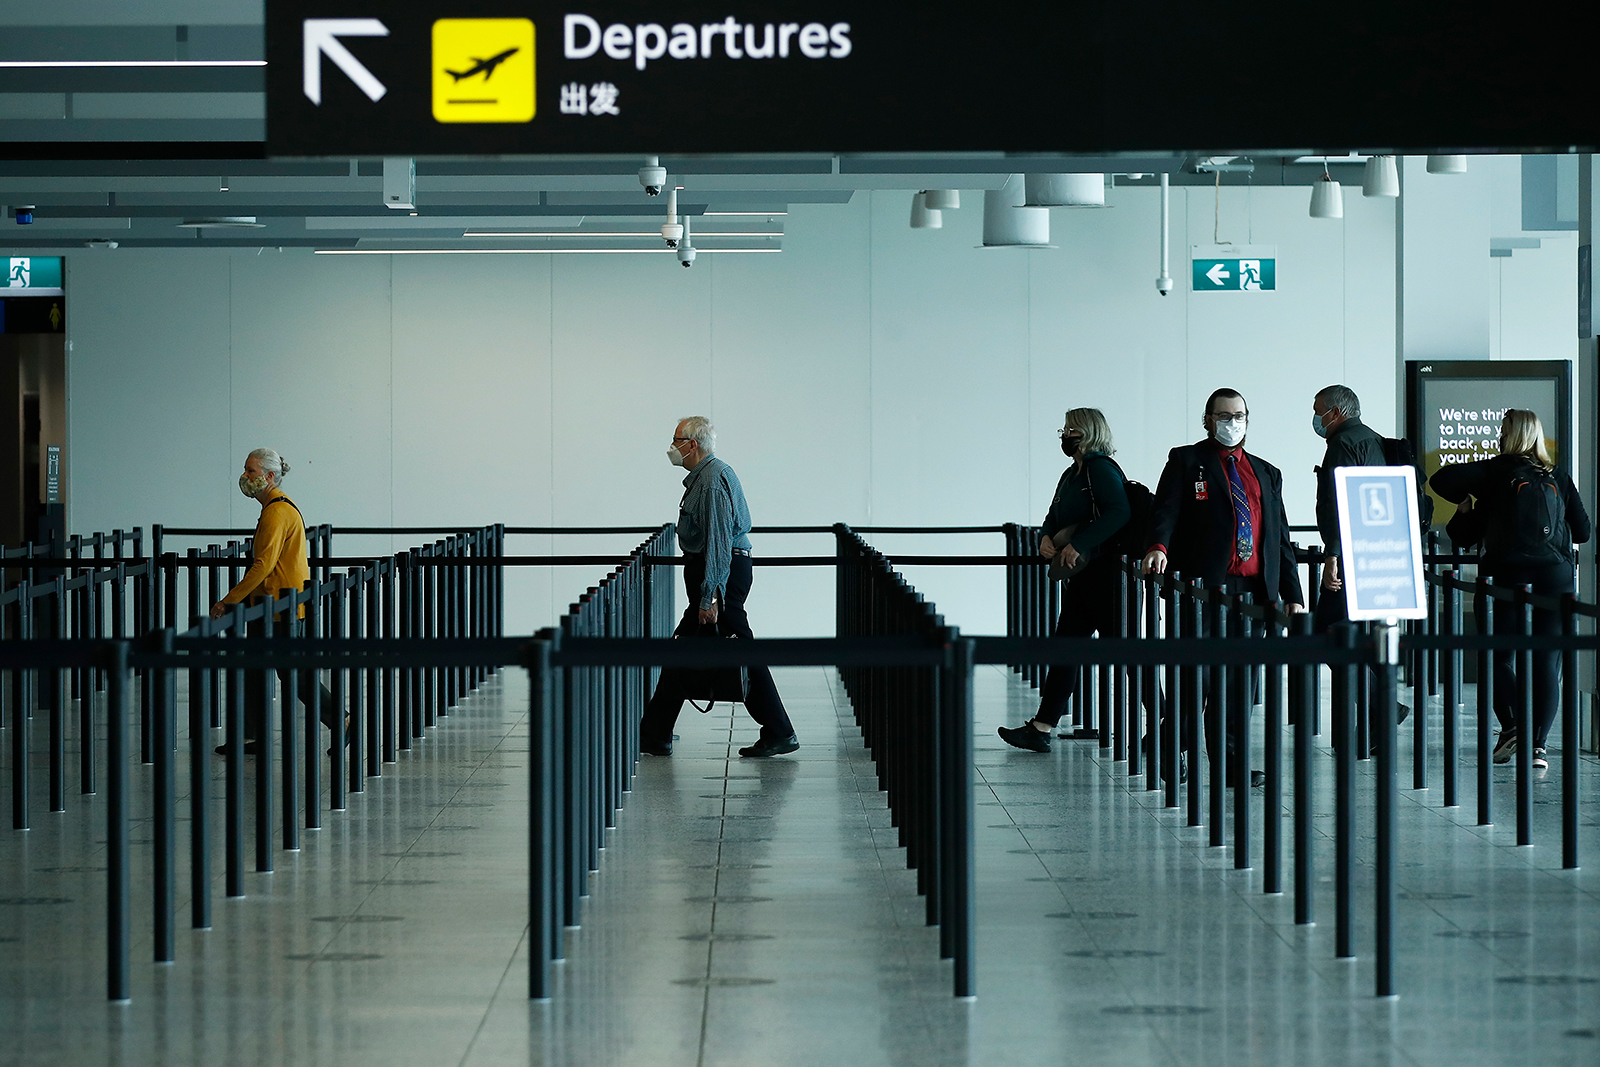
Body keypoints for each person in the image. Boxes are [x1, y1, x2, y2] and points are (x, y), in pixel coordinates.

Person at [1143, 388, 1306, 785]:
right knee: (1193, 679)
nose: (1231, 423)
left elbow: (1278, 539)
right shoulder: (1186, 460)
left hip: (1252, 594)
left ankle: (1231, 766)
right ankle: (1166, 746)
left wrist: (1293, 594)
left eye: (1238, 415)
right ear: (1208, 420)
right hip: (1201, 590)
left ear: (1247, 420)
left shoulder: (1266, 472)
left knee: (1238, 684)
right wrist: (1158, 546)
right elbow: (1167, 509)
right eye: (1222, 416)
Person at [1429, 409, 1590, 770]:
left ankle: (1513, 725)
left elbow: (1441, 481)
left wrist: (1466, 502)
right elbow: (1582, 533)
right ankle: (1538, 747)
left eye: (1502, 431)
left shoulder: (1492, 472)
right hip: (1556, 578)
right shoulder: (1557, 476)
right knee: (1547, 660)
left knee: (1499, 655)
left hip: (1507, 577)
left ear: (1509, 435)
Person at [639, 417, 798, 758]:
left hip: (718, 574)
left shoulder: (710, 480)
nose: (672, 446)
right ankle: (655, 732)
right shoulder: (705, 477)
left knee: (737, 649)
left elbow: (719, 541)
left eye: (676, 439)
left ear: (692, 444)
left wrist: (710, 594)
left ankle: (780, 731)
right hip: (716, 573)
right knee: (687, 647)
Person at [999, 408, 1132, 752]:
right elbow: (1053, 515)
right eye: (1065, 429)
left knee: (1128, 652)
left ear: (1088, 433)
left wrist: (1079, 544)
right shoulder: (1072, 475)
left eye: (1072, 429)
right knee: (1066, 648)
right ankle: (1042, 726)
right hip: (1083, 578)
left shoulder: (1100, 469)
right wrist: (1045, 536)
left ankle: (1165, 719)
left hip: (1107, 577)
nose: (1065, 435)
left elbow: (1120, 512)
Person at [210, 448, 340, 756]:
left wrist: (228, 601)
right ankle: (251, 736)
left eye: (251, 471)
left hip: (280, 608)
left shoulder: (276, 512)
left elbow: (263, 565)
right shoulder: (274, 507)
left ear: (269, 476)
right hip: (269, 605)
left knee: (294, 675)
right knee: (255, 669)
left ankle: (344, 721)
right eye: (245, 470)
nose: (245, 476)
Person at [1310, 384, 1408, 727]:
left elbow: (1341, 504)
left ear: (1336, 412)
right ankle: (1375, 720)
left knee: (1326, 632)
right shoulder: (1373, 440)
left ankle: (1382, 706)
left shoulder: (1343, 444)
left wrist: (1332, 556)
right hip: (1378, 551)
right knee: (1350, 633)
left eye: (1318, 410)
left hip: (1350, 555)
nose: (1316, 418)